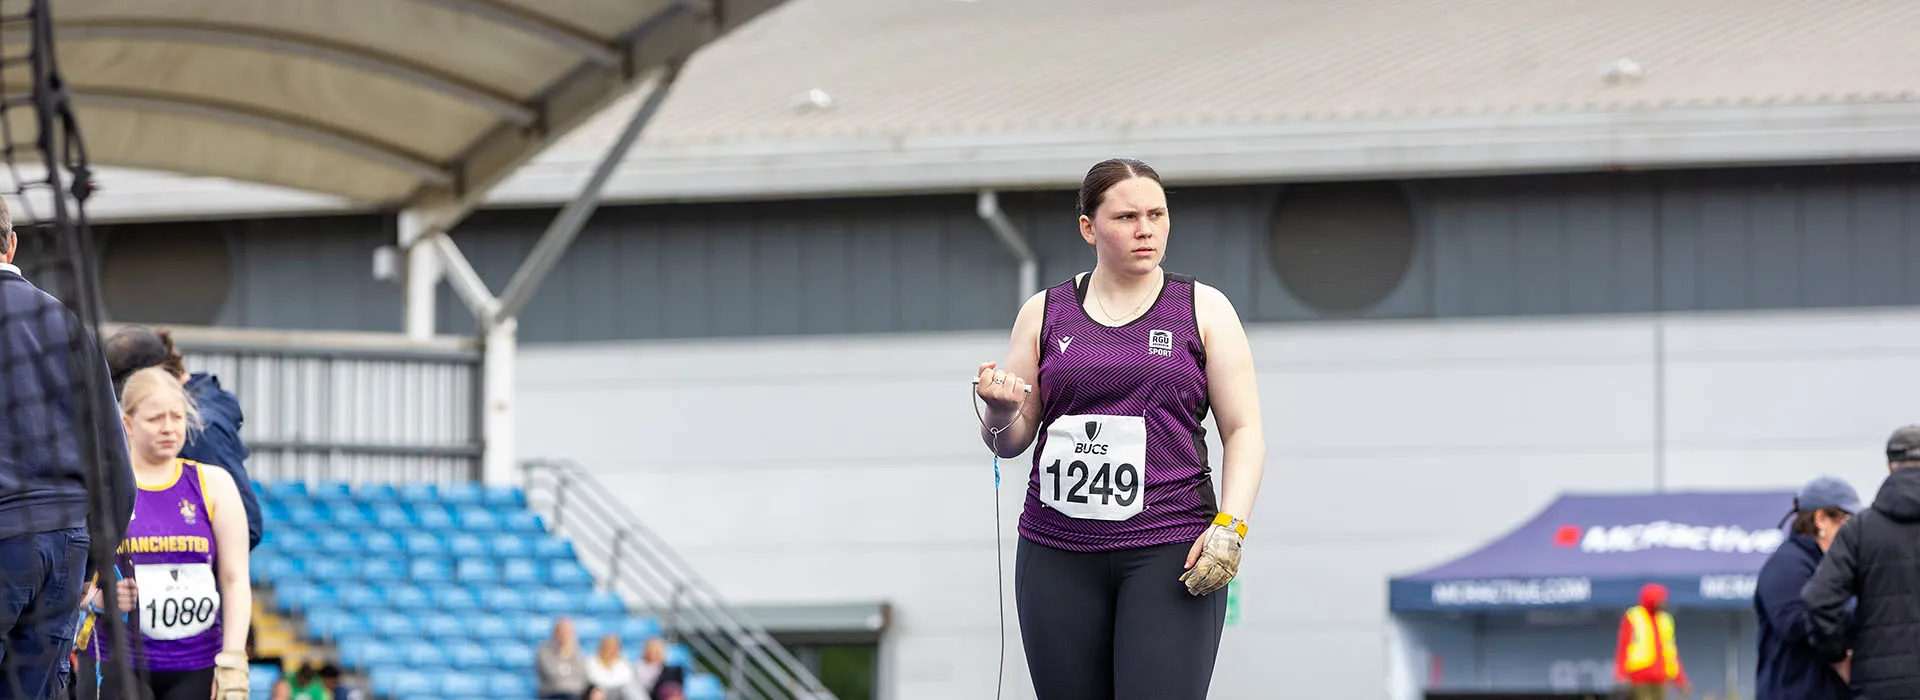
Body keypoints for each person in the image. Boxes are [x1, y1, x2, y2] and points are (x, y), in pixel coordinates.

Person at [973, 157, 1268, 700]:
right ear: (1089, 228)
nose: (1145, 229)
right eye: (1127, 217)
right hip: (1057, 549)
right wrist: (997, 409)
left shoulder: (1204, 309)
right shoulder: (1043, 312)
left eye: (1157, 214)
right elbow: (1009, 440)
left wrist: (1232, 525)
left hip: (1170, 545)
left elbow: (1244, 429)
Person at [0, 199, 136, 698]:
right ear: (12, 244)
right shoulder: (71, 326)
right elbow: (116, 465)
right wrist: (94, 560)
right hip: (63, 545)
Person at [76, 367, 251, 700]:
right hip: (114, 662)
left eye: (177, 416)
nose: (169, 427)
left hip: (198, 665)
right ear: (127, 423)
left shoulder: (215, 484)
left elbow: (235, 578)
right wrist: (97, 600)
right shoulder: (102, 487)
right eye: (155, 419)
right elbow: (67, 576)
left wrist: (233, 661)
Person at [104, 326, 262, 551]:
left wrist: (181, 552)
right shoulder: (201, 417)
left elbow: (246, 527)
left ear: (156, 373)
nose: (167, 427)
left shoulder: (200, 430)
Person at [1805, 424, 1920, 699]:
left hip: (1879, 685)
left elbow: (1819, 600)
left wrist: (1838, 657)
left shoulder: (1859, 530)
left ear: (1889, 466)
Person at [1754, 476, 1863, 700]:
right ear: (1821, 519)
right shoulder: (1787, 564)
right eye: (1848, 521)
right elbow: (1794, 623)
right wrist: (1857, 612)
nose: (1855, 532)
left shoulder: (1826, 564)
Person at [1613, 583, 1690, 700]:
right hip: (1639, 676)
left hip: (1661, 677)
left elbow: (1671, 652)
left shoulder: (1665, 619)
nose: (1663, 603)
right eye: (1660, 599)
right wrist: (1621, 675)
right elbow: (1623, 647)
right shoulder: (1634, 616)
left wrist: (1680, 679)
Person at [537, 617, 589, 700]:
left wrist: (569, 652)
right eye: (562, 631)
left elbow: (582, 674)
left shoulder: (577, 651)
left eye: (569, 632)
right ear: (556, 632)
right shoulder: (544, 650)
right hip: (552, 693)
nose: (565, 635)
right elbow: (552, 673)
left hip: (575, 694)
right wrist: (564, 654)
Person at [585, 636, 635, 700]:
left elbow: (627, 681)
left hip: (620, 694)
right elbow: (593, 680)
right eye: (607, 646)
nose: (610, 650)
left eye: (613, 647)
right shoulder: (591, 662)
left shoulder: (625, 664)